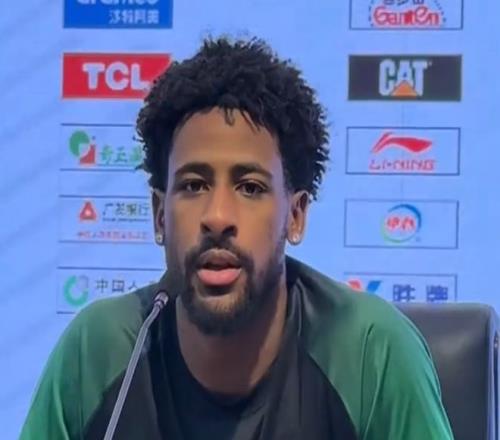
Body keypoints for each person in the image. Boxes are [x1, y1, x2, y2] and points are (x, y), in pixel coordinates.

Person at [20, 36, 454, 440]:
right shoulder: (98, 352)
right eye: (193, 185)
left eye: (250, 187)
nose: (217, 217)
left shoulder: (371, 354)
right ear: (159, 214)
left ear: (296, 215)